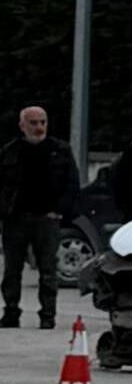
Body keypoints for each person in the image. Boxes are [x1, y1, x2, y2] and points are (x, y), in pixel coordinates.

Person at [0, 106, 78, 331]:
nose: (39, 127)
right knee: (12, 269)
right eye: (33, 123)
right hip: (16, 218)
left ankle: (48, 314)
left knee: (48, 269)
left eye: (42, 122)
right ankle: (11, 312)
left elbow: (72, 183)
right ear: (22, 125)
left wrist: (59, 210)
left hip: (46, 218)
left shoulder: (59, 150)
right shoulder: (10, 151)